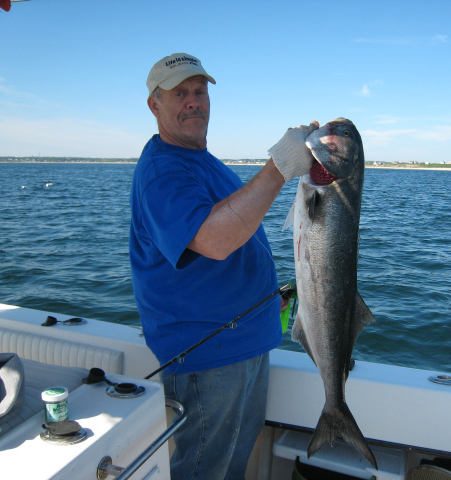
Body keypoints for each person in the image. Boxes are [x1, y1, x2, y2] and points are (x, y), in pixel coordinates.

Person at [129, 52, 318, 480]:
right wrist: (280, 167)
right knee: (206, 472)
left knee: (228, 471)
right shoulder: (164, 171)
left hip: (243, 345)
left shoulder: (203, 161)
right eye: (180, 93)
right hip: (207, 357)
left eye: (200, 91)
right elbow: (214, 240)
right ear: (154, 105)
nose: (194, 101)